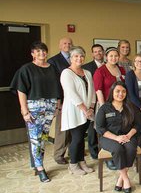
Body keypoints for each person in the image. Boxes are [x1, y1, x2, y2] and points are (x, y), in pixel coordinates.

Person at [10, 41, 61, 182]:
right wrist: (24, 110)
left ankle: (38, 163)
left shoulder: (53, 68)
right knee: (35, 140)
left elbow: (58, 89)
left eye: (44, 51)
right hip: (34, 108)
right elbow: (21, 89)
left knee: (43, 138)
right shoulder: (26, 69)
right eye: (38, 51)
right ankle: (40, 168)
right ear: (32, 54)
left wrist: (57, 106)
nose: (41, 53)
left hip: (50, 107)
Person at [96, 82, 139, 193]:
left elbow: (137, 125)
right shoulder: (105, 108)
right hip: (108, 138)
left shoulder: (130, 107)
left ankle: (120, 179)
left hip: (127, 136)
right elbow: (100, 128)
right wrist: (116, 138)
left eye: (123, 91)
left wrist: (128, 135)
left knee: (131, 148)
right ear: (112, 92)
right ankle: (125, 178)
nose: (121, 94)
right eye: (118, 91)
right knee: (117, 149)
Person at [60, 46, 96, 175]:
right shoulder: (66, 73)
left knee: (81, 138)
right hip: (75, 111)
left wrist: (91, 107)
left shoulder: (87, 73)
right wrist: (84, 109)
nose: (79, 58)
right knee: (77, 138)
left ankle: (82, 162)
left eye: (81, 56)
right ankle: (73, 164)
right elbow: (71, 93)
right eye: (76, 56)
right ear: (71, 58)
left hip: (88, 111)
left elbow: (92, 91)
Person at [93, 47, 125, 170]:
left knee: (118, 129)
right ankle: (108, 157)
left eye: (116, 56)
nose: (113, 58)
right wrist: (104, 107)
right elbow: (98, 90)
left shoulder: (121, 69)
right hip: (106, 106)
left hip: (120, 105)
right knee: (105, 130)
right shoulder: (100, 71)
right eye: (111, 56)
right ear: (106, 57)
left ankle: (119, 154)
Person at [48, 37, 73, 165]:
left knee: (72, 127)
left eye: (69, 43)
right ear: (60, 46)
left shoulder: (74, 58)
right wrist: (58, 101)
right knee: (61, 129)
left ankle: (71, 151)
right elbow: (54, 83)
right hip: (62, 100)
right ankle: (58, 155)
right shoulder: (53, 61)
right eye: (64, 43)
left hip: (74, 99)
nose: (67, 45)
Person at [82, 43, 104, 160]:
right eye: (95, 51)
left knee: (104, 125)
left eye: (100, 51)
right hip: (92, 101)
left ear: (103, 52)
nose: (98, 53)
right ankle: (94, 151)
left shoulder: (108, 65)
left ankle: (104, 149)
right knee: (92, 127)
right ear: (92, 54)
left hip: (104, 99)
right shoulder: (87, 67)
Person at [125, 54, 141, 147]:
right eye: (137, 61)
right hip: (134, 103)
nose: (139, 63)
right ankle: (138, 148)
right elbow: (130, 93)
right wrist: (140, 106)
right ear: (134, 63)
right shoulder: (130, 75)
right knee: (138, 125)